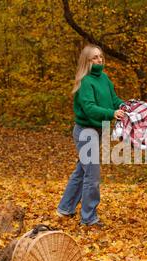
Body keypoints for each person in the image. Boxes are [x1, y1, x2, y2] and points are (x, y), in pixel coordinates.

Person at [57, 44, 126, 227]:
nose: (99, 60)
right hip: (86, 133)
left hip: (99, 131)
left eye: (101, 57)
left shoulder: (104, 78)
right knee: (92, 177)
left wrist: (124, 106)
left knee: (82, 171)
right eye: (95, 57)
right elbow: (89, 109)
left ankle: (65, 208)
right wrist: (111, 114)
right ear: (86, 61)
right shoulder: (85, 82)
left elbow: (114, 100)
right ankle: (88, 218)